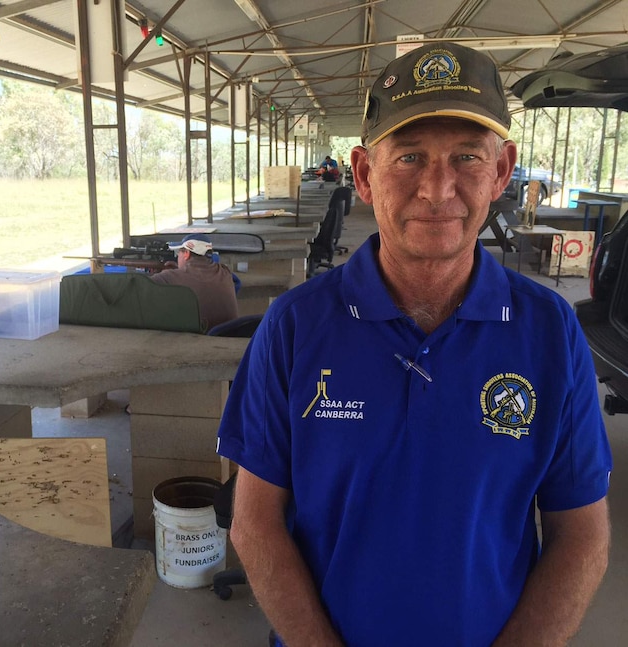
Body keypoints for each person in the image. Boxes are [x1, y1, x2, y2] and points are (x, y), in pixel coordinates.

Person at [216, 41, 611, 647]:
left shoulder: (550, 332)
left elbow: (580, 532)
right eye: (408, 157)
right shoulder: (295, 328)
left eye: (466, 158)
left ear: (502, 171)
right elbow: (255, 524)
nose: (437, 187)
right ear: (365, 174)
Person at [149, 233, 238, 331]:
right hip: (229, 333)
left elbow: (142, 286)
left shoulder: (169, 277)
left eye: (179, 252)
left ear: (187, 254)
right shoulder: (225, 272)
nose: (178, 256)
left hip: (199, 339)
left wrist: (167, 273)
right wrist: (177, 270)